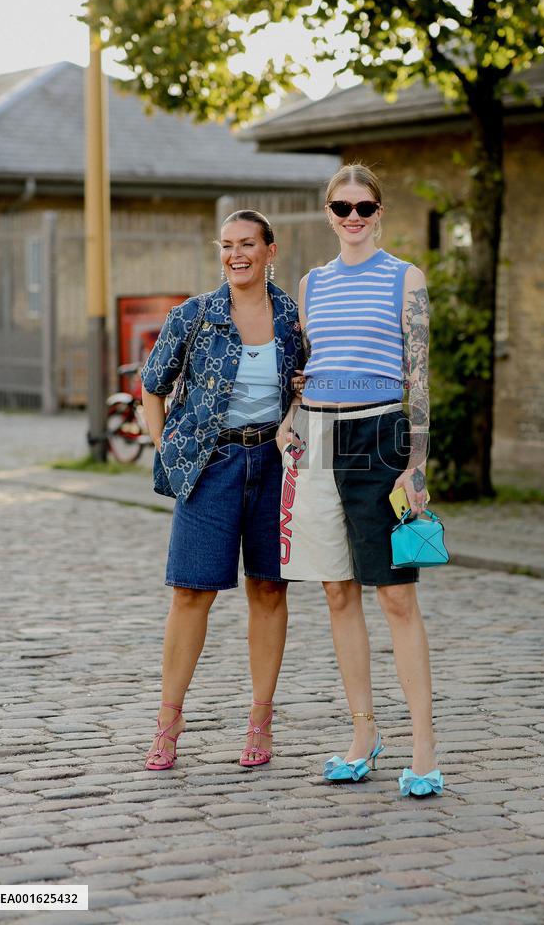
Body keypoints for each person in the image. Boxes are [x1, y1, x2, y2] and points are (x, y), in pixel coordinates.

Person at [277, 164, 442, 798]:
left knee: (396, 596)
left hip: (382, 438)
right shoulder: (311, 284)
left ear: (379, 211)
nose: (353, 217)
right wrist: (291, 418)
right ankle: (364, 735)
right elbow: (309, 365)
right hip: (317, 440)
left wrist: (418, 459)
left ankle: (423, 745)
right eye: (341, 207)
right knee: (337, 592)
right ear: (327, 212)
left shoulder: (407, 278)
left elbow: (419, 375)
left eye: (364, 207)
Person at [141, 210, 302, 771]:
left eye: (247, 244)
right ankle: (168, 722)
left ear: (269, 250)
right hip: (210, 465)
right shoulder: (195, 315)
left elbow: (309, 384)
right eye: (227, 245)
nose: (237, 254)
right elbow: (151, 384)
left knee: (269, 590)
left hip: (275, 464)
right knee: (190, 592)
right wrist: (167, 446)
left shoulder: (292, 317)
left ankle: (260, 720)